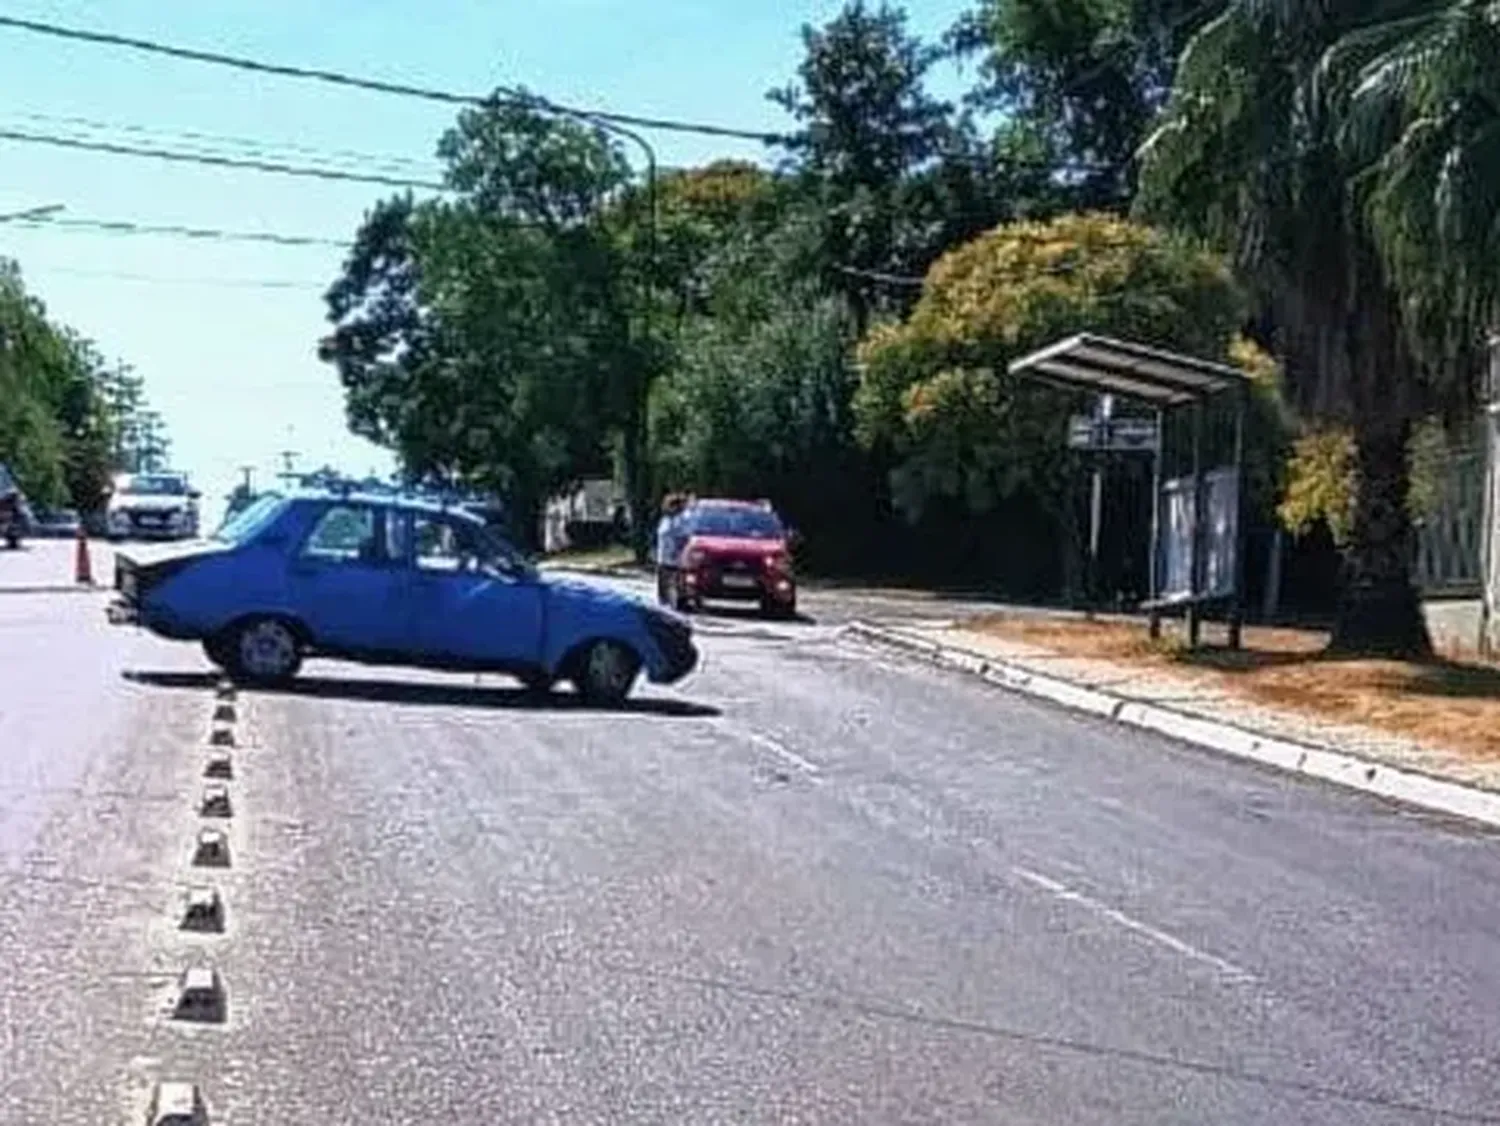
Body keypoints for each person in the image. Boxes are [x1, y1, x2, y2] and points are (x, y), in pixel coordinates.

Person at [654, 493, 688, 605]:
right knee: (663, 592)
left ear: (675, 507)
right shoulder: (665, 519)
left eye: (668, 505)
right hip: (663, 559)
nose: (665, 507)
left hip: (675, 561)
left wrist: (677, 552)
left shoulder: (681, 520)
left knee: (675, 590)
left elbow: (683, 538)